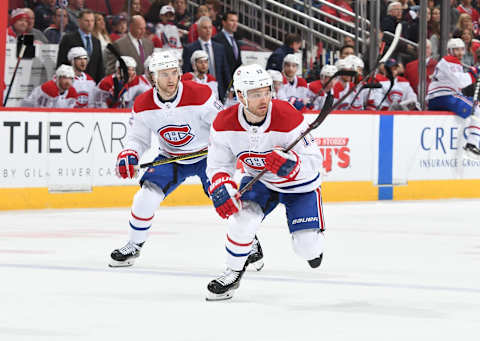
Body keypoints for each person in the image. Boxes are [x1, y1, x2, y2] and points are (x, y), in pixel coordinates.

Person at [108, 51, 264, 270]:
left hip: (207, 157)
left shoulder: (200, 95)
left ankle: (250, 242)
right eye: (164, 74)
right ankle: (133, 245)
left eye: (174, 72)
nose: (171, 79)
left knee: (225, 196)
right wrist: (130, 153)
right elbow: (137, 138)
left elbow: (223, 125)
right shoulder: (143, 104)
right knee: (145, 196)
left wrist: (235, 150)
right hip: (171, 157)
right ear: (153, 77)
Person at [205, 64, 325, 301]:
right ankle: (232, 272)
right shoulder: (223, 122)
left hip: (298, 187)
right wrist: (221, 185)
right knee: (241, 222)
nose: (264, 99)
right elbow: (218, 165)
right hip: (259, 182)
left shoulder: (288, 115)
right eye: (256, 94)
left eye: (266, 91)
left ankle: (312, 242)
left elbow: (315, 161)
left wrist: (290, 165)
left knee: (307, 248)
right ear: (240, 96)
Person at [427, 38, 480, 160]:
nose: (460, 53)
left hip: (437, 98)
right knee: (477, 107)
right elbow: (461, 82)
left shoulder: (449, 62)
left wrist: (472, 72)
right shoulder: (450, 60)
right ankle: (472, 143)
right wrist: (474, 73)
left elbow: (458, 82)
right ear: (450, 50)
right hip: (445, 96)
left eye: (462, 49)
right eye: (456, 50)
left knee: (474, 104)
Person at [182, 16, 231, 101]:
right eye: (205, 28)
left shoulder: (220, 48)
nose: (208, 30)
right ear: (198, 29)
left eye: (210, 27)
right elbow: (187, 70)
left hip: (219, 92)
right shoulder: (189, 49)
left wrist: (230, 89)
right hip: (199, 93)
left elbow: (225, 70)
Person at [57, 9, 105, 83]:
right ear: (79, 21)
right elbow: (61, 62)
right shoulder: (68, 39)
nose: (90, 23)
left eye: (92, 21)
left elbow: (99, 66)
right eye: (87, 21)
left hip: (91, 84)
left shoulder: (96, 42)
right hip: (72, 83)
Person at [212, 11, 242, 78]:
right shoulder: (217, 39)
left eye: (236, 21)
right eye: (232, 21)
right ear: (224, 22)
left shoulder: (236, 41)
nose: (235, 24)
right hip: (223, 82)